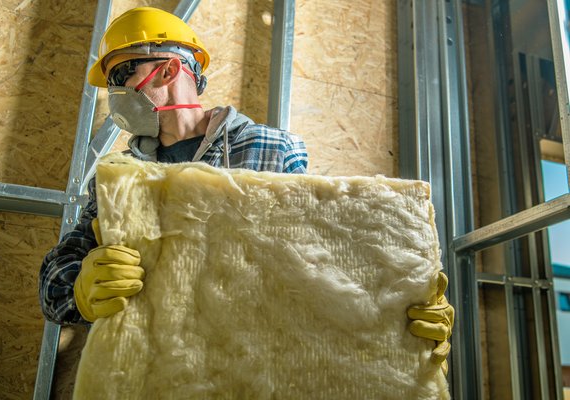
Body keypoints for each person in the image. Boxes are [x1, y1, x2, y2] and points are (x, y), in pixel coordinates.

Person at [39, 6, 453, 373]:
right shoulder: (118, 176)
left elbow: (321, 253)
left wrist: (402, 307)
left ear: (167, 69)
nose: (115, 95)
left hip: (246, 367)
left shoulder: (269, 149)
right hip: (153, 372)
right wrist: (79, 288)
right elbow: (54, 278)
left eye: (119, 75)